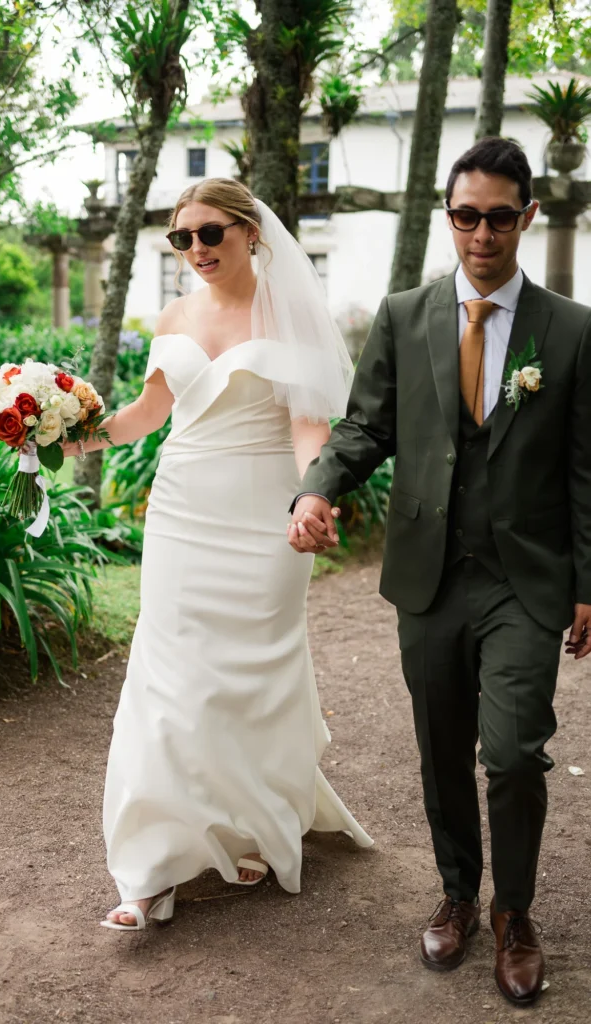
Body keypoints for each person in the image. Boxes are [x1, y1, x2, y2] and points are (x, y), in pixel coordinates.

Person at [289, 137, 591, 1007]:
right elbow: (363, 428)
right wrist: (316, 492)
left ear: (526, 217)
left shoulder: (570, 330)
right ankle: (458, 893)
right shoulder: (404, 314)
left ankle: (515, 914)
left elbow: (585, 466)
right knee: (440, 749)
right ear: (448, 218)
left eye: (501, 216)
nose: (483, 233)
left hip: (526, 580)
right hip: (428, 575)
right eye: (467, 216)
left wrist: (589, 581)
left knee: (514, 751)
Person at [64, 178, 373, 933]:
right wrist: (67, 433)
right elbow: (147, 414)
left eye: (211, 234)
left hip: (266, 516)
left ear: (250, 233)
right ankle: (150, 871)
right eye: (183, 238)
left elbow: (309, 428)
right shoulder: (173, 315)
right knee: (167, 682)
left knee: (250, 678)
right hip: (182, 511)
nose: (197, 249)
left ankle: (248, 827)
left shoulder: (290, 314)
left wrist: (312, 497)